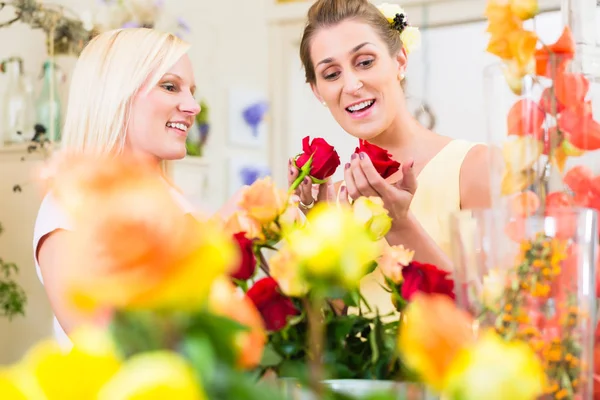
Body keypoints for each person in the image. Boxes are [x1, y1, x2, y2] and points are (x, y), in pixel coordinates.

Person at [33, 28, 240, 340]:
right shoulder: (70, 209)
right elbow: (108, 344)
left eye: (191, 92)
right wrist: (221, 234)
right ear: (116, 95)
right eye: (171, 87)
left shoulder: (181, 205)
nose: (193, 106)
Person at [288, 0, 491, 314]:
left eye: (365, 62)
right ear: (317, 91)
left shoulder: (475, 167)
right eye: (331, 74)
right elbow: (344, 326)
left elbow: (494, 316)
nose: (352, 85)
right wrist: (318, 231)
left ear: (400, 61)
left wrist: (400, 225)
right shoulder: (336, 198)